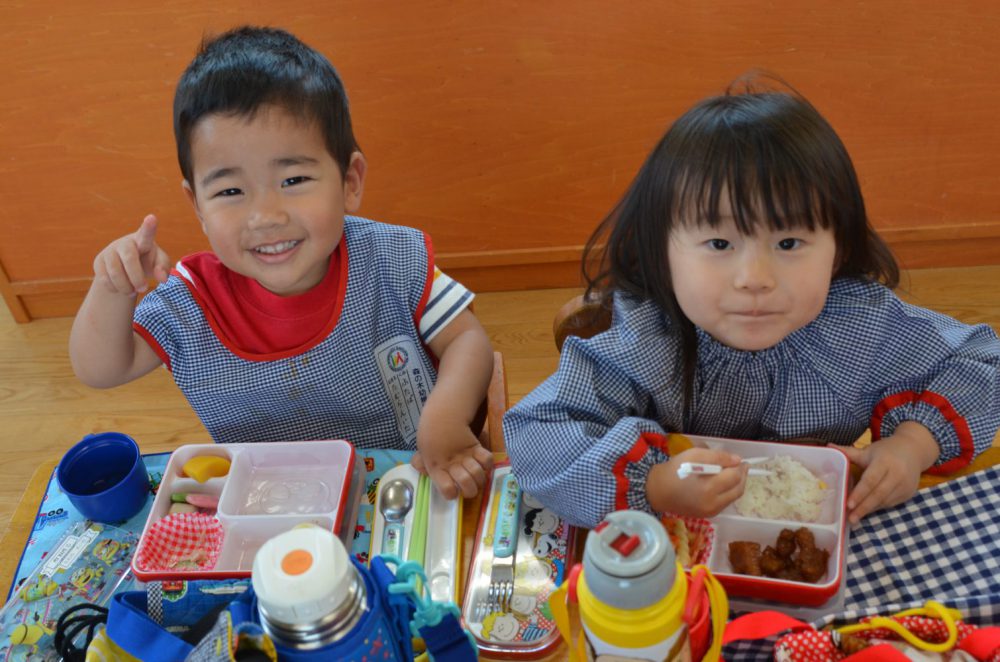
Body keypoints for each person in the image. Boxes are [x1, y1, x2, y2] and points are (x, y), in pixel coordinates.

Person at [503, 79, 1000, 528]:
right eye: (720, 244)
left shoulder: (862, 325)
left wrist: (912, 444)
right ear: (662, 251)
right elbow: (535, 433)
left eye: (788, 243)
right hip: (679, 560)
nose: (755, 280)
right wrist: (654, 483)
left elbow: (984, 361)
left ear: (839, 247)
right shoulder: (647, 339)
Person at [69, 26, 495, 499]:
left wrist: (445, 418)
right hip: (272, 501)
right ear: (197, 206)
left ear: (350, 182)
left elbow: (467, 340)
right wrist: (111, 288)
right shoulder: (191, 301)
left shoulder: (390, 258)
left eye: (293, 180)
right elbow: (100, 369)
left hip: (407, 477)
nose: (266, 216)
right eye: (230, 190)